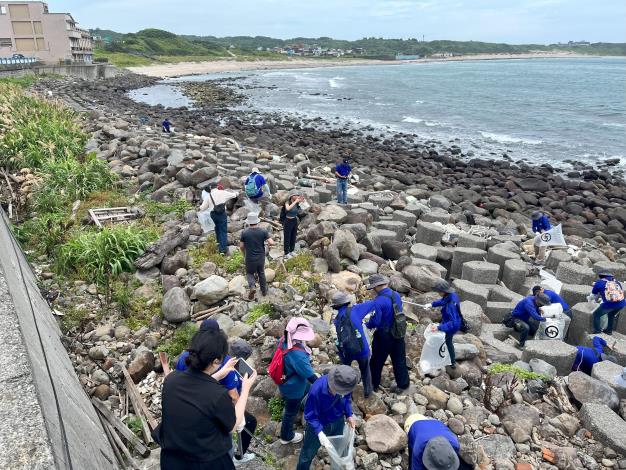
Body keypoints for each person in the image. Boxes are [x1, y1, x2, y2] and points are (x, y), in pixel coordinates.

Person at [154, 325, 257, 470]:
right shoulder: (217, 394)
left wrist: (222, 372)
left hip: (172, 460)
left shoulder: (171, 380)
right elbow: (233, 424)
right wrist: (245, 388)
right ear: (216, 361)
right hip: (205, 462)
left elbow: (198, 385)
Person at [296, 365, 359, 470]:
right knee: (307, 454)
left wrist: (349, 415)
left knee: (340, 450)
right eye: (337, 390)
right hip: (318, 424)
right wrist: (320, 433)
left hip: (338, 421)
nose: (340, 393)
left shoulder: (347, 384)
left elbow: (347, 399)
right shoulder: (317, 390)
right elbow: (310, 416)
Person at [365, 274, 410, 392]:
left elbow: (376, 321)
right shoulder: (396, 295)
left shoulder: (379, 301)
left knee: (376, 361)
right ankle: (403, 385)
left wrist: (367, 325)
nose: (373, 290)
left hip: (384, 336)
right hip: (398, 331)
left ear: (376, 287)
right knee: (399, 360)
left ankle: (373, 384)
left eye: (373, 288)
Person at [277, 317, 319, 445]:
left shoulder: (285, 339)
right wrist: (324, 384)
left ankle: (301, 404)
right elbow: (311, 376)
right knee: (290, 413)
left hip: (285, 380)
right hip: (293, 388)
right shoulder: (297, 355)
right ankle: (286, 436)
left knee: (306, 389)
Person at [331, 291, 376, 397]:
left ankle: (346, 394)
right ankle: (367, 392)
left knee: (345, 371)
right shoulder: (356, 310)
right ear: (346, 302)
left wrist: (342, 355)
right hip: (362, 349)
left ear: (336, 307)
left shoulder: (337, 320)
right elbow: (374, 304)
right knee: (365, 370)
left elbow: (339, 337)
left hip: (347, 351)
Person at [405, 414, 471, 470]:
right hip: (414, 424)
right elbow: (416, 467)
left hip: (436, 423)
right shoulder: (418, 449)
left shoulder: (454, 444)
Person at [240, 213, 275, 300]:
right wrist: (267, 245)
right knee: (261, 273)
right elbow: (271, 242)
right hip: (260, 257)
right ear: (257, 221)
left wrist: (244, 254)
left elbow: (241, 246)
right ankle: (264, 291)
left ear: (248, 222)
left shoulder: (244, 232)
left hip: (250, 257)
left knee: (249, 273)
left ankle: (252, 287)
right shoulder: (263, 231)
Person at [428, 280, 462, 369]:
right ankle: (446, 357)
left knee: (447, 341)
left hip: (452, 325)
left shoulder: (451, 305)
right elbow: (443, 301)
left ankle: (451, 361)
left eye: (439, 291)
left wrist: (439, 327)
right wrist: (431, 304)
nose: (438, 293)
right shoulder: (451, 294)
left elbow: (452, 323)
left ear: (444, 291)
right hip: (448, 320)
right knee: (443, 339)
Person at [199, 182, 238, 255]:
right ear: (217, 186)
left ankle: (219, 245)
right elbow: (233, 195)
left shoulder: (209, 196)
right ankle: (222, 250)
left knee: (217, 230)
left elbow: (203, 207)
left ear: (211, 188)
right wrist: (236, 193)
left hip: (213, 215)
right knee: (223, 231)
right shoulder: (223, 192)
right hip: (222, 214)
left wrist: (199, 208)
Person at [283, 190, 304, 258]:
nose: (297, 196)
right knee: (287, 237)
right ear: (292, 196)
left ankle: (292, 250)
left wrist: (303, 201)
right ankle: (286, 253)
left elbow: (305, 207)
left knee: (293, 236)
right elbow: (288, 208)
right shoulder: (287, 202)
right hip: (288, 221)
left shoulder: (297, 203)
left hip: (294, 220)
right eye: (296, 195)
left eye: (298, 195)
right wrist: (295, 202)